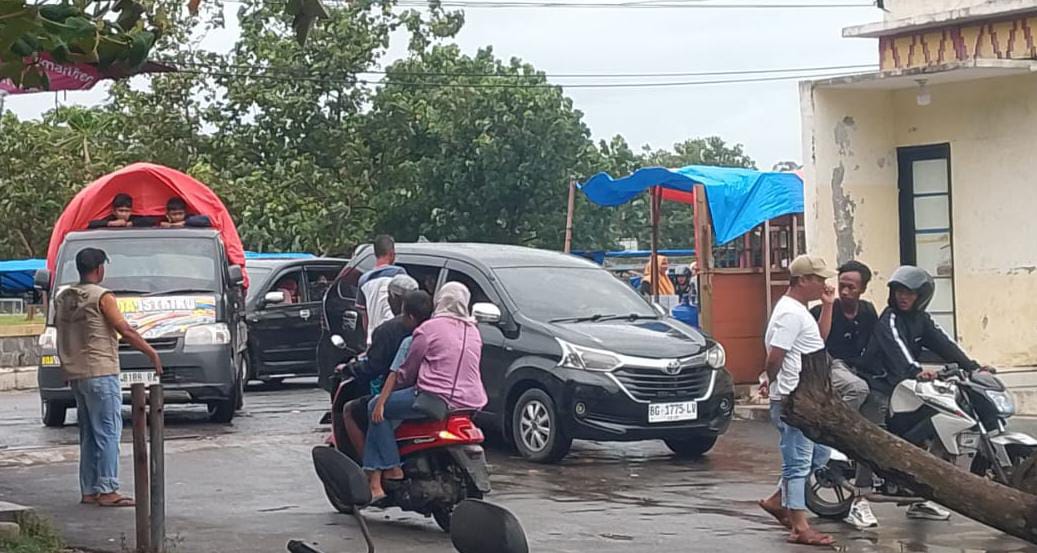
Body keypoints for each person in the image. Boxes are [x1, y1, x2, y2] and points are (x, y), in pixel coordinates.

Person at [857, 265, 980, 523]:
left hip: (903, 386)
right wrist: (915, 370)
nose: (903, 297)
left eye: (909, 293)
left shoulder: (921, 320)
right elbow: (896, 348)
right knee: (872, 438)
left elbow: (943, 343)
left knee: (926, 426)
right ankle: (860, 498)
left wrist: (973, 367)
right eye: (899, 291)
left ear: (921, 296)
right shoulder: (889, 318)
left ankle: (919, 498)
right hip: (879, 385)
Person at [54, 248, 162, 507]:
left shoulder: (65, 297)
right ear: (100, 268)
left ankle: (89, 490)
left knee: (89, 434)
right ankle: (108, 489)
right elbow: (124, 329)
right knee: (108, 432)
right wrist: (151, 353)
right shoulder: (102, 296)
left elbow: (61, 334)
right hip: (101, 371)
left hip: (77, 373)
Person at [363, 282, 488, 502]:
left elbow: (408, 370)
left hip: (435, 398)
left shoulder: (428, 329)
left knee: (375, 407)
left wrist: (394, 388)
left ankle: (391, 468)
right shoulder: (474, 331)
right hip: (471, 402)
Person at [757, 254, 836, 547]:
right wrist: (770, 379)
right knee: (798, 462)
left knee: (818, 455)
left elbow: (817, 341)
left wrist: (827, 307)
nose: (824, 284)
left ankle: (779, 500)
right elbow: (775, 355)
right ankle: (800, 526)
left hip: (806, 397)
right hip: (794, 399)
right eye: (819, 279)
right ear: (803, 280)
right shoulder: (790, 313)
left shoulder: (799, 310)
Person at [809, 260, 878, 529]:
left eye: (852, 286)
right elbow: (817, 341)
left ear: (862, 289)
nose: (845, 291)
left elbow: (877, 343)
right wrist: (826, 307)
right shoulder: (826, 309)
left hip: (858, 368)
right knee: (857, 389)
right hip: (831, 364)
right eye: (843, 285)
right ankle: (840, 433)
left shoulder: (869, 312)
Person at [342, 275, 422, 456]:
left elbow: (375, 368)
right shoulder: (436, 328)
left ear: (397, 300)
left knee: (353, 410)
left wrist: (350, 369)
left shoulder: (390, 331)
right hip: (437, 394)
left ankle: (373, 466)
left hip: (406, 392)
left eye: (389, 296)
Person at [357, 235, 407, 344]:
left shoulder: (364, 279)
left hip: (373, 340)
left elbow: (364, 318)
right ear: (391, 253)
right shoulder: (399, 274)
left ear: (375, 254)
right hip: (394, 338)